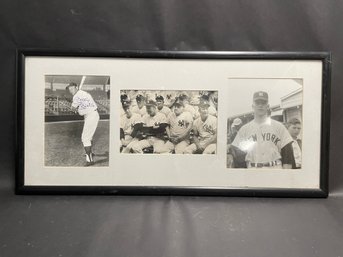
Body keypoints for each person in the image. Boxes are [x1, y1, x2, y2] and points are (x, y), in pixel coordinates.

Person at [230, 91, 295, 169]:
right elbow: (238, 157)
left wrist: (286, 176)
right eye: (257, 102)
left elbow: (287, 155)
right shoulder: (244, 129)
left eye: (263, 102)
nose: (260, 105)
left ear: (268, 106)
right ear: (252, 106)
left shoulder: (279, 127)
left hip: (275, 169)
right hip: (252, 170)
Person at [66, 82, 99, 166]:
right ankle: (90, 153)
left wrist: (72, 107)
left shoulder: (76, 96)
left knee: (85, 138)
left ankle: (89, 160)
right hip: (91, 115)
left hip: (91, 115)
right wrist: (77, 108)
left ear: (76, 87)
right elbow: (81, 107)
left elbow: (73, 108)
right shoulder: (84, 93)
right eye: (69, 89)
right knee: (88, 137)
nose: (71, 90)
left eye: (72, 88)